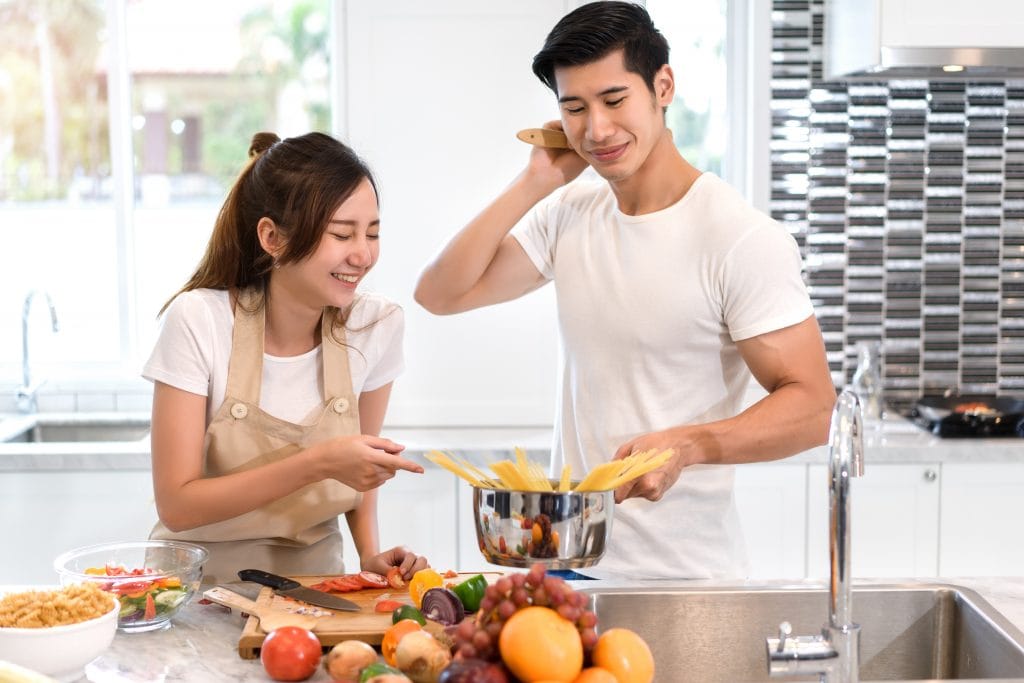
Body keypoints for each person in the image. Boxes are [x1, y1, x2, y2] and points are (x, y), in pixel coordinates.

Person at [414, 2, 836, 579]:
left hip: (683, 581)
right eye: (574, 108)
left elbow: (814, 407)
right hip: (566, 569)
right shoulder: (570, 212)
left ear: (662, 86)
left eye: (614, 101)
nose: (597, 130)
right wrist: (532, 183)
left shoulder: (739, 238)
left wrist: (688, 445)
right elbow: (440, 293)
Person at [145, 131, 429, 585]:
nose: (363, 254)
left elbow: (362, 468)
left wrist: (369, 555)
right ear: (272, 237)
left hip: (316, 589)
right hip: (196, 590)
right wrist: (319, 462)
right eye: (342, 234)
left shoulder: (376, 325)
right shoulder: (199, 320)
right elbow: (177, 507)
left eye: (372, 233)